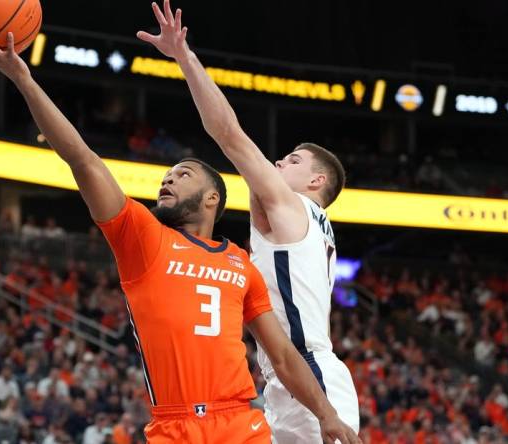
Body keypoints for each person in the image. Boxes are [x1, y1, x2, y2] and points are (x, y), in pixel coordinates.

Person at [0, 29, 359, 444]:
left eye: (182, 173)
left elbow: (229, 134)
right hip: (207, 413)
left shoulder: (262, 237)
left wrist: (185, 58)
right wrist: (25, 81)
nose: (167, 181)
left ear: (212, 198)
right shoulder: (148, 237)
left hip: (274, 396)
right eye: (167, 176)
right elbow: (83, 160)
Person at [137, 1, 360, 442]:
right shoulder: (309, 223)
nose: (279, 161)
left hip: (304, 373)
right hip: (294, 376)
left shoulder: (291, 205)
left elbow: (228, 134)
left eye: (292, 159)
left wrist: (185, 56)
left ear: (316, 180)